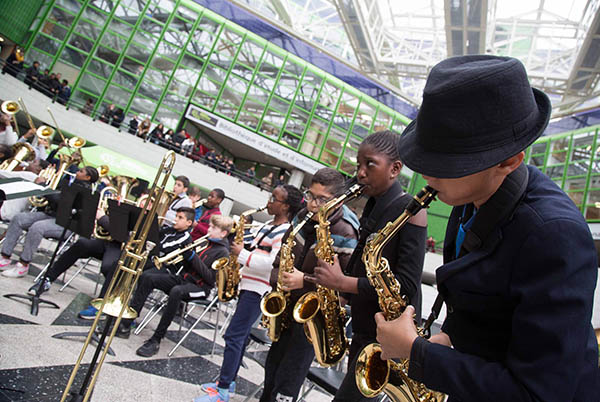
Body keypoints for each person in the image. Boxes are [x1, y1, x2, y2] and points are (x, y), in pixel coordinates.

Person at [375, 55, 600, 402]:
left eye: (446, 162)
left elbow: (539, 394)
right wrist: (449, 337)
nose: (428, 174)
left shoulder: (555, 237)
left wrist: (416, 353)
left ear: (509, 161)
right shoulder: (470, 190)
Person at [309, 130, 428, 402]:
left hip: (386, 341)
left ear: (395, 168)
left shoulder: (412, 210)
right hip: (365, 331)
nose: (360, 173)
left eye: (370, 164)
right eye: (359, 164)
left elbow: (406, 285)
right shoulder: (373, 206)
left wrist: (343, 283)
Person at [195, 184, 304, 402]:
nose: (269, 200)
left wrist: (241, 254)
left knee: (234, 336)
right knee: (240, 337)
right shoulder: (267, 224)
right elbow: (254, 249)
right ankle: (229, 381)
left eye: (275, 198)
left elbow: (273, 263)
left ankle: (223, 390)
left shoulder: (285, 231)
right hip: (248, 284)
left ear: (287, 206)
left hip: (259, 289)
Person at [260, 168, 359, 402]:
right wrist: (279, 280)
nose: (313, 204)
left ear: (337, 200)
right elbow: (280, 258)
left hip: (312, 318)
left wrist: (302, 280)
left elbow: (344, 289)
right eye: (310, 195)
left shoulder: (346, 231)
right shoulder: (302, 215)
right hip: (287, 305)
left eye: (321, 199)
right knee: (272, 369)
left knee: (288, 380)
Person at [117, 212, 233, 357]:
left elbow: (210, 278)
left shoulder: (223, 253)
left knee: (176, 292)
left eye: (213, 228)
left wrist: (192, 257)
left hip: (201, 288)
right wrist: (184, 256)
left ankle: (156, 339)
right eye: (210, 227)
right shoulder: (205, 244)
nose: (208, 230)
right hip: (184, 279)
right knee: (148, 277)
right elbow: (189, 265)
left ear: (223, 233)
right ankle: (127, 323)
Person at [0, 166, 99, 278]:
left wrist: (43, 186)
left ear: (87, 177)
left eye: (81, 172)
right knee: (19, 218)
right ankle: (5, 257)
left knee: (37, 227)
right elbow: (53, 197)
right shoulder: (69, 182)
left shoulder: (84, 190)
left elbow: (58, 199)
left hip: (66, 224)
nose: (77, 172)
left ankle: (23, 264)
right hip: (50, 214)